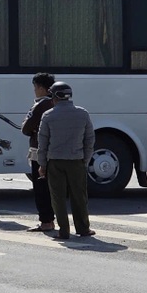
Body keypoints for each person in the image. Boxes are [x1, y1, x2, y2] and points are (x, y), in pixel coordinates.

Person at [37, 82, 96, 240]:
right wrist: (85, 159)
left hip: (55, 162)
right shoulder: (82, 114)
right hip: (76, 161)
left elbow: (42, 143)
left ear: (55, 97)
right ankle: (83, 228)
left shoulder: (48, 115)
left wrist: (42, 164)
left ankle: (64, 231)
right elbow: (90, 139)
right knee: (79, 196)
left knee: (58, 197)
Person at [21, 72, 56, 232]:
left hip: (39, 150)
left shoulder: (41, 105)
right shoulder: (56, 103)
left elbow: (26, 128)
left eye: (35, 87)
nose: (34, 91)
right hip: (54, 151)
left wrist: (28, 125)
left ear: (42, 88)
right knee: (51, 187)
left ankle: (46, 221)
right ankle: (51, 219)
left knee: (40, 187)